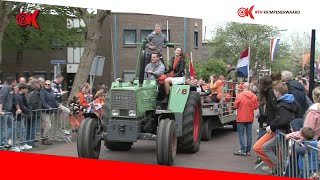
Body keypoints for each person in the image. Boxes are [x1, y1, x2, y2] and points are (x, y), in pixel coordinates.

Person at [254, 82, 299, 173]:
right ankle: (281, 168)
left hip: (283, 132)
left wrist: (272, 126)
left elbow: (282, 119)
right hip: (285, 131)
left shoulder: (282, 105)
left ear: (278, 92)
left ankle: (281, 168)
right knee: (282, 152)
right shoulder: (291, 101)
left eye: (274, 92)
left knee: (269, 148)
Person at [233, 82, 259, 156]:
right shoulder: (254, 96)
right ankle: (248, 150)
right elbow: (256, 107)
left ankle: (242, 150)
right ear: (249, 87)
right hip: (250, 117)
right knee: (249, 134)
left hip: (241, 117)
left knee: (241, 134)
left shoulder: (240, 95)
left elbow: (235, 106)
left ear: (243, 87)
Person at [0, 76, 22, 151]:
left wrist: (18, 108)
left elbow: (14, 100)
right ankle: (2, 144)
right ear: (12, 82)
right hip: (4, 111)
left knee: (12, 127)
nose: (16, 83)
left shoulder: (12, 89)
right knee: (3, 129)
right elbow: (1, 99)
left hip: (9, 112)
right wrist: (0, 110)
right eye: (15, 82)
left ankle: (6, 142)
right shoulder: (5, 88)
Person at [40, 80, 59, 145]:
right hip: (44, 110)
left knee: (46, 125)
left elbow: (54, 99)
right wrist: (48, 107)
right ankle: (44, 138)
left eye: (48, 84)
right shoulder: (42, 91)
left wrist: (57, 106)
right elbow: (42, 101)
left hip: (51, 110)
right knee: (48, 125)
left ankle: (46, 139)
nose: (47, 85)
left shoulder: (51, 91)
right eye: (46, 84)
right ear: (44, 84)